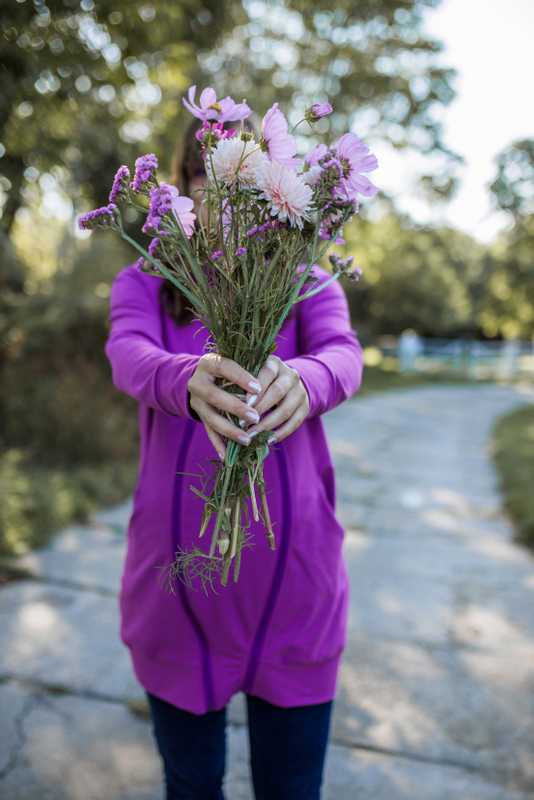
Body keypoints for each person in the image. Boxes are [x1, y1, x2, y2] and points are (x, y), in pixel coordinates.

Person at [105, 119, 363, 800]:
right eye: (209, 183)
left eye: (245, 188)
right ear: (187, 187)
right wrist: (182, 379)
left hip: (298, 597)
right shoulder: (146, 280)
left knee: (292, 790)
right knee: (191, 789)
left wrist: (306, 381)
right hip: (177, 599)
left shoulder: (306, 277)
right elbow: (127, 354)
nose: (227, 202)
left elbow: (344, 353)